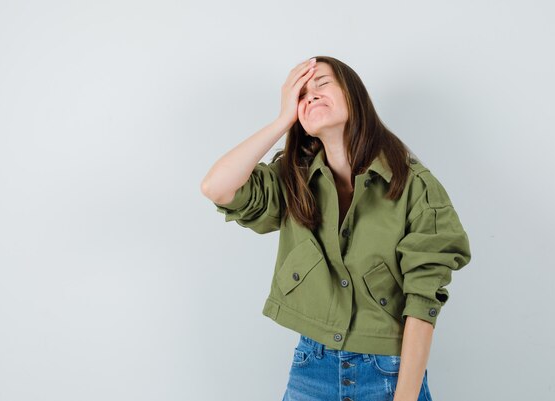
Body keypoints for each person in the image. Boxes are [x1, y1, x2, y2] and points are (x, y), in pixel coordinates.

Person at [200, 56, 472, 401]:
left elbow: (423, 304)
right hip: (311, 367)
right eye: (301, 94)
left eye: (322, 84)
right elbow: (217, 188)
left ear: (354, 94)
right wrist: (282, 121)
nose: (310, 95)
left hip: (388, 371)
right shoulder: (293, 178)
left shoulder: (416, 186)